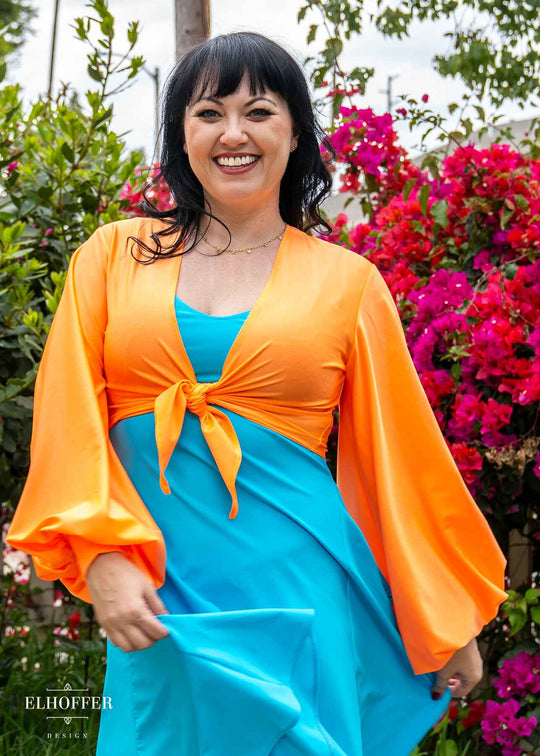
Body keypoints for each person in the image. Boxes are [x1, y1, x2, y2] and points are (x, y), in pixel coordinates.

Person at [6, 31, 508, 756]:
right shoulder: (111, 257)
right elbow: (67, 422)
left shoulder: (349, 284)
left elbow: (402, 461)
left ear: (295, 132)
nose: (233, 134)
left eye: (259, 112)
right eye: (209, 113)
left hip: (301, 586)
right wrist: (100, 555)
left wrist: (447, 620)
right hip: (158, 593)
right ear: (181, 134)